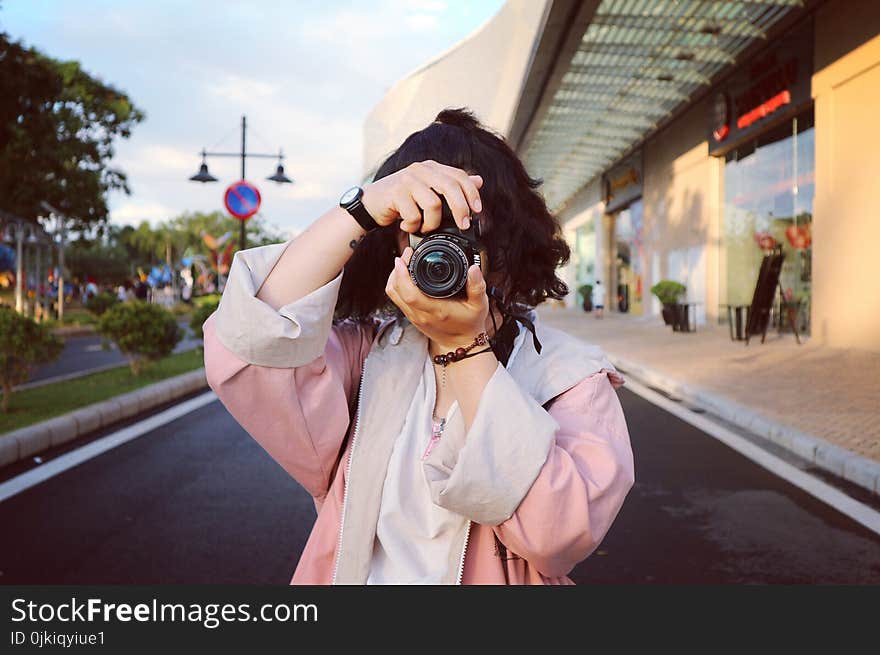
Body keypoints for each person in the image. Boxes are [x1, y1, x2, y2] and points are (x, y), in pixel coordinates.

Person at [203, 108, 634, 585]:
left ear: (508, 244)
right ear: (389, 246)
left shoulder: (569, 375)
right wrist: (364, 206)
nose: (440, 251)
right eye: (420, 230)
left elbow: (560, 535)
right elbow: (250, 337)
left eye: (466, 230)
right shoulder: (365, 357)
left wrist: (466, 348)